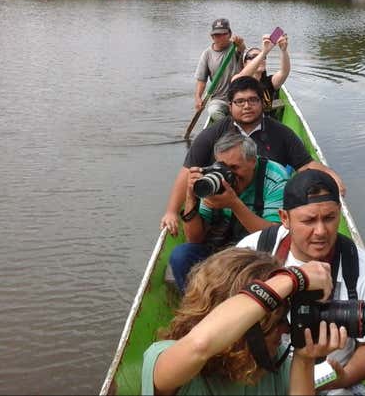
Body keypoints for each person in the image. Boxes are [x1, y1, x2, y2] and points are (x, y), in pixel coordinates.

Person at [237, 170, 365, 395]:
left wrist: (343, 378)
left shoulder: (363, 270)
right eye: (309, 220)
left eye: (330, 218)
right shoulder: (253, 251)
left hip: (330, 381)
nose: (321, 231)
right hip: (261, 375)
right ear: (285, 218)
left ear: (340, 213)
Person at [143, 247, 348, 395]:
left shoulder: (271, 364)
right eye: (275, 321)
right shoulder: (162, 358)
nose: (285, 329)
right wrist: (292, 279)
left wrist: (304, 360)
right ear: (245, 323)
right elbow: (200, 344)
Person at [161, 76, 346, 237]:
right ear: (230, 105)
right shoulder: (211, 135)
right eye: (240, 102)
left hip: (269, 201)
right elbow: (188, 171)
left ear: (263, 103)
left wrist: (332, 177)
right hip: (222, 204)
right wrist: (171, 212)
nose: (247, 106)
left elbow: (305, 165)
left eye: (253, 100)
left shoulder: (281, 133)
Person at [168, 131, 290, 293]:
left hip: (258, 254)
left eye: (234, 168)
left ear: (253, 161)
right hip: (220, 248)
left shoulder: (274, 177)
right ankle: (199, 305)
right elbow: (195, 238)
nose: (228, 174)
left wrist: (234, 204)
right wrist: (191, 198)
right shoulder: (213, 178)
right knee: (181, 255)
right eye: (223, 167)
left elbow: (276, 237)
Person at [194, 18, 246, 124]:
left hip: (239, 95)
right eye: (216, 35)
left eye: (223, 34)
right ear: (212, 36)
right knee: (213, 112)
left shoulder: (234, 47)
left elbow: (242, 48)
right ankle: (231, 127)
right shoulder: (207, 54)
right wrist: (198, 97)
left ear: (229, 34)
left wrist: (240, 43)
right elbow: (201, 80)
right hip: (219, 98)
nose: (220, 37)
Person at [232, 33, 291, 112]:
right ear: (244, 63)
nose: (261, 60)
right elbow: (240, 80)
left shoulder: (269, 82)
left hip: (264, 122)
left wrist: (284, 50)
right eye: (253, 57)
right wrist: (264, 53)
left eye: (264, 58)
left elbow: (284, 72)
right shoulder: (237, 79)